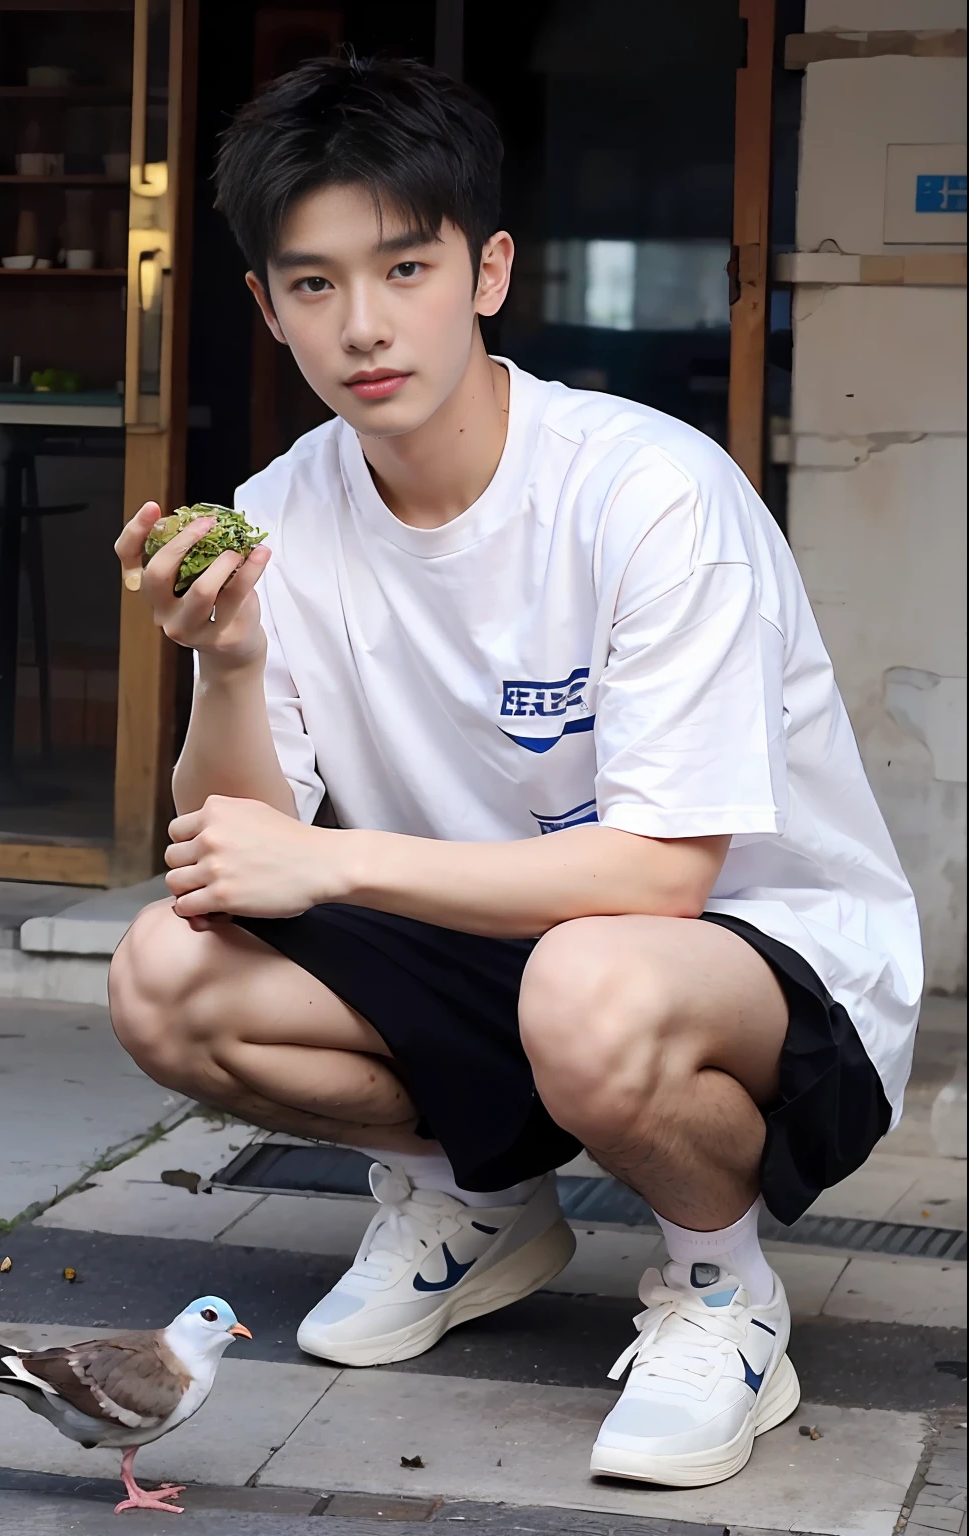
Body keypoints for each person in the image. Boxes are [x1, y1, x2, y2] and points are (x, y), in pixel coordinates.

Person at [110, 55, 922, 1488]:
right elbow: (231, 856)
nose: (363, 325)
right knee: (165, 978)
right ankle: (474, 1197)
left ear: (485, 270)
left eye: (404, 266)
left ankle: (723, 1290)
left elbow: (665, 876)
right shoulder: (277, 512)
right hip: (502, 953)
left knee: (590, 978)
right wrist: (230, 667)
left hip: (754, 966)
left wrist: (340, 860)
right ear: (265, 307)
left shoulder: (646, 491)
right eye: (311, 284)